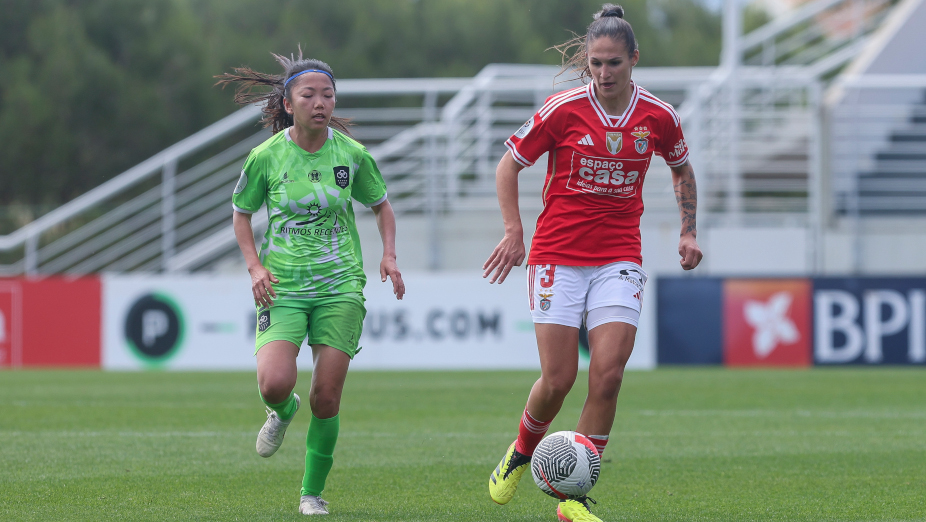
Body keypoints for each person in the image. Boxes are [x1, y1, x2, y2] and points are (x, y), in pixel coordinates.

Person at [482, 5, 702, 521]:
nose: (604, 74)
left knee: (607, 376)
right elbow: (508, 164)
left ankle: (571, 498)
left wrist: (689, 229)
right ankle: (521, 452)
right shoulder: (563, 109)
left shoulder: (658, 116)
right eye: (596, 63)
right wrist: (515, 231)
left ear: (634, 60)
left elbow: (682, 169)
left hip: (619, 259)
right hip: (557, 255)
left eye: (614, 64)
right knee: (558, 379)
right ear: (588, 60)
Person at [217, 50, 405, 516]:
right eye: (309, 94)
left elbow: (381, 205)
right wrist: (255, 267)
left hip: (340, 285)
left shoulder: (351, 155)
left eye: (328, 94)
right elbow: (241, 214)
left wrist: (389, 254)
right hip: (282, 285)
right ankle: (281, 411)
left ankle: (311, 493)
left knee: (328, 395)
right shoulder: (267, 157)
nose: (320, 102)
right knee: (275, 383)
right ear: (287, 102)